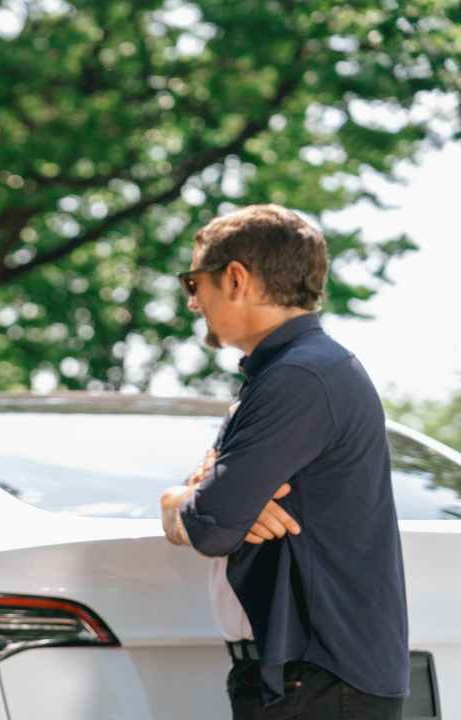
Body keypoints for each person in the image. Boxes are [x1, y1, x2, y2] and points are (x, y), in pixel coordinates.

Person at [158, 205, 408, 719]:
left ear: (234, 278)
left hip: (316, 683)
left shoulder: (299, 378)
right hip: (313, 679)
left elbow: (211, 526)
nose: (192, 303)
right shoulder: (302, 372)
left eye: (193, 283)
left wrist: (176, 500)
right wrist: (215, 497)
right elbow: (223, 508)